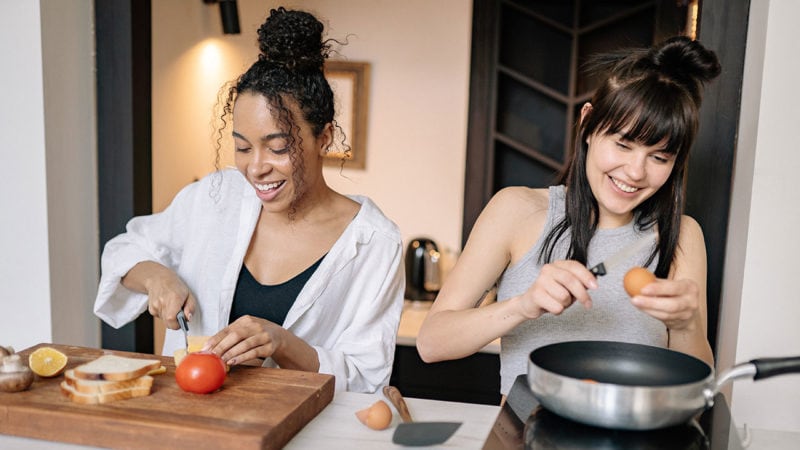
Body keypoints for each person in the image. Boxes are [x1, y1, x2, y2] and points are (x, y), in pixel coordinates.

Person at [94, 7, 404, 393]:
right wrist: (156, 277)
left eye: (277, 148)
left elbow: (366, 377)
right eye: (242, 148)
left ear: (323, 138)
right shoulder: (218, 195)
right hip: (192, 423)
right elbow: (124, 250)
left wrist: (282, 342)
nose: (256, 169)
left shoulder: (374, 242)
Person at [416, 36, 721, 395]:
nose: (636, 172)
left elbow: (698, 391)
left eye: (660, 157)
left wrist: (686, 326)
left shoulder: (681, 235)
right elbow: (432, 344)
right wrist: (523, 305)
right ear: (588, 123)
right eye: (623, 144)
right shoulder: (516, 211)